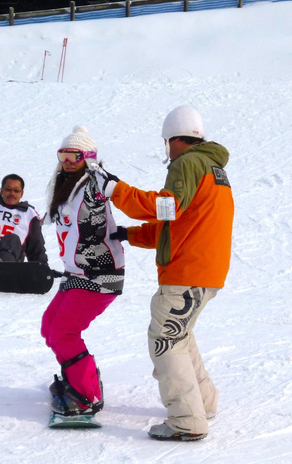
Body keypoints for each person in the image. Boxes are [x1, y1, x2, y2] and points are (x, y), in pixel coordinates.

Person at [92, 105, 234, 441]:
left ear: (173, 138)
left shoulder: (187, 163)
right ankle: (202, 402)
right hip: (206, 270)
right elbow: (178, 224)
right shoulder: (212, 169)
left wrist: (115, 190)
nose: (167, 151)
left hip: (187, 273)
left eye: (166, 143)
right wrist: (129, 234)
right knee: (179, 335)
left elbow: (164, 206)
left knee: (165, 339)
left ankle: (187, 421)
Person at [41, 126, 125, 420]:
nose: (66, 160)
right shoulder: (66, 187)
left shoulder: (93, 183)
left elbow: (115, 189)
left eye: (74, 155)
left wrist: (160, 209)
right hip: (76, 273)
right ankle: (78, 378)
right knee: (49, 326)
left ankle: (88, 395)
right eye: (63, 154)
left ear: (87, 158)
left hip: (99, 275)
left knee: (64, 332)